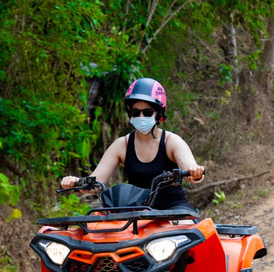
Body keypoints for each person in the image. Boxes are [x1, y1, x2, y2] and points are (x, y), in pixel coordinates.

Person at [60, 78, 205, 210]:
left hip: (174, 210)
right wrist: (75, 182)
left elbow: (190, 171)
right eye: (136, 112)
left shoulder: (171, 142)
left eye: (147, 112)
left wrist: (195, 171)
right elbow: (95, 183)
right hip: (135, 213)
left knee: (191, 234)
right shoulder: (121, 145)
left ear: (159, 114)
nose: (141, 117)